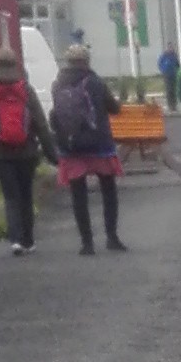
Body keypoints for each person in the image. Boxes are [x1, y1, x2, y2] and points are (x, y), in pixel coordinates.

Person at [51, 38, 127, 253]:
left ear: (67, 62)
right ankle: (112, 237)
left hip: (71, 146)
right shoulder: (95, 82)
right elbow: (114, 108)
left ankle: (87, 243)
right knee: (108, 190)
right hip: (99, 144)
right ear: (86, 61)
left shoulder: (58, 84)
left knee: (79, 195)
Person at [0, 48, 53, 254]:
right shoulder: (25, 89)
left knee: (10, 197)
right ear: (15, 64)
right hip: (27, 151)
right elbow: (40, 123)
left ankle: (16, 240)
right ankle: (29, 240)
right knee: (26, 195)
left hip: (0, 153)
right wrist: (50, 152)